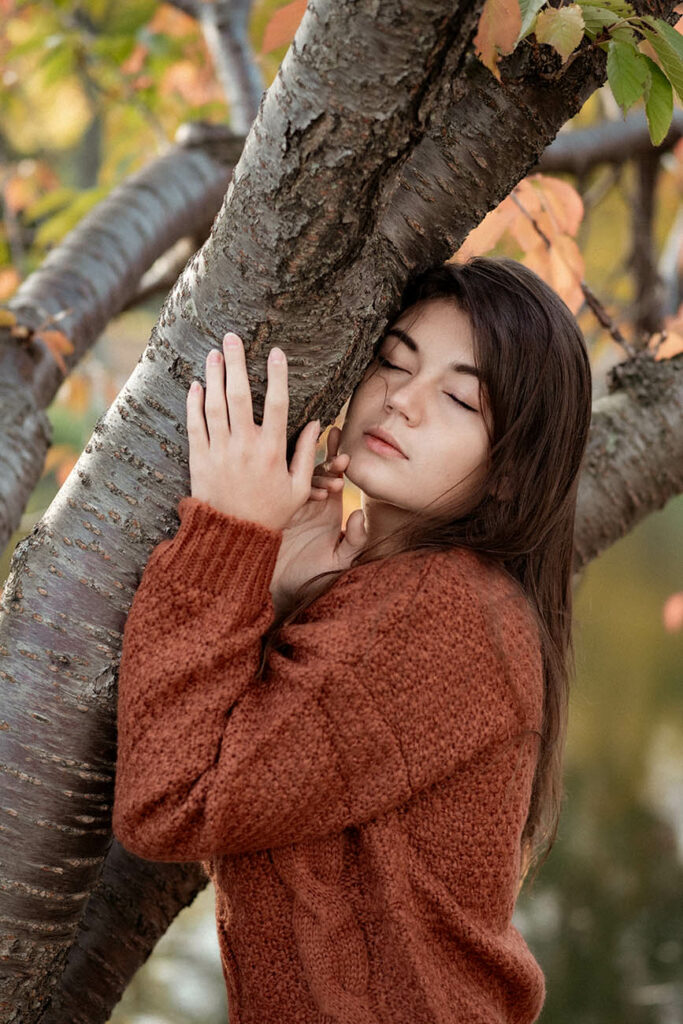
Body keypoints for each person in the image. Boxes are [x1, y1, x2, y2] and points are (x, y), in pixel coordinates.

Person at [112, 255, 592, 1023]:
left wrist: (228, 539)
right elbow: (280, 778)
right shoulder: (422, 595)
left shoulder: (446, 608)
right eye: (392, 361)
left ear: (511, 470)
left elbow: (172, 802)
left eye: (460, 399)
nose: (401, 400)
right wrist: (279, 599)